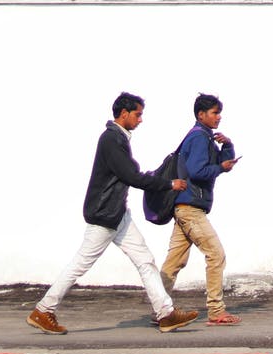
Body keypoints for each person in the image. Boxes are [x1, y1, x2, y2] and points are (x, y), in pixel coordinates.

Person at [27, 92, 199, 334]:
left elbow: (129, 173)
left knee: (145, 260)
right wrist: (168, 184)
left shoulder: (119, 139)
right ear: (124, 113)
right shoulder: (111, 139)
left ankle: (166, 313)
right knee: (80, 264)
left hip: (117, 214)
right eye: (138, 115)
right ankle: (44, 310)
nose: (140, 120)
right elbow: (130, 175)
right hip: (105, 215)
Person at [161, 93, 242, 326]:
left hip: (185, 207)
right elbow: (198, 171)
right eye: (215, 113)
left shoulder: (205, 137)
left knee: (174, 262)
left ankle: (160, 309)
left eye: (219, 112)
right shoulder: (199, 138)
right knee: (216, 254)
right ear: (201, 114)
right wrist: (219, 167)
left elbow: (219, 166)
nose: (219, 117)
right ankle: (216, 311)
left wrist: (227, 146)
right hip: (191, 209)